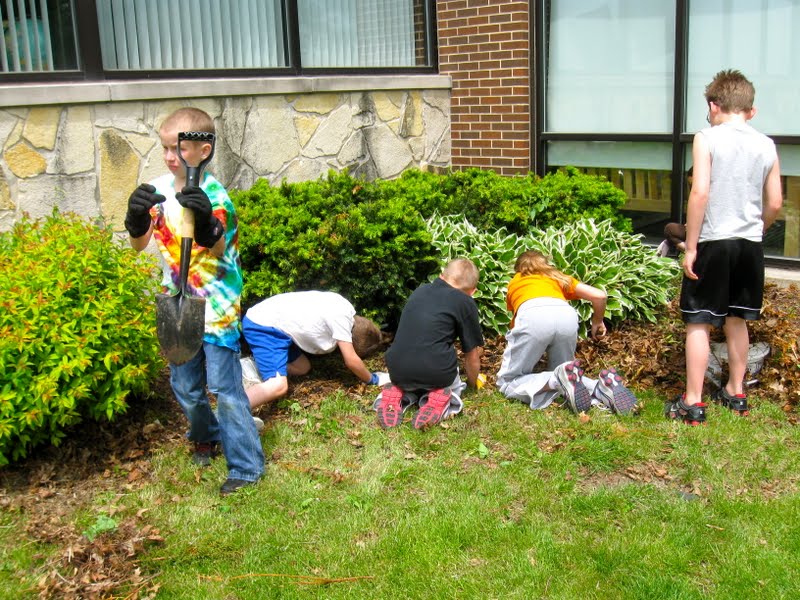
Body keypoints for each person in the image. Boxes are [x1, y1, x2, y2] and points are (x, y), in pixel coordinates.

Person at [124, 107, 265, 496]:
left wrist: (205, 223)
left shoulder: (217, 197)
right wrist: (137, 221)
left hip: (217, 305)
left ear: (203, 150)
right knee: (185, 387)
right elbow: (139, 245)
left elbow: (219, 246)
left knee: (224, 389)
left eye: (178, 148)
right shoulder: (158, 191)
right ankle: (206, 435)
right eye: (165, 148)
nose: (170, 157)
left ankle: (247, 466)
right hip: (179, 304)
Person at [667, 69, 782, 425]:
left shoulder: (708, 137)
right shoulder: (766, 144)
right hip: (750, 244)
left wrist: (691, 246)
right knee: (737, 319)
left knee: (699, 321)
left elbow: (700, 192)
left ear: (713, 106)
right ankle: (736, 391)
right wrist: (756, 230)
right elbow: (775, 202)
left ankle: (693, 401)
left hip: (715, 240)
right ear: (751, 110)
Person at [495, 250, 637, 415]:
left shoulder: (516, 281)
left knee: (507, 382)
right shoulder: (556, 277)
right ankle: (600, 387)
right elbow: (599, 296)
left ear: (518, 268)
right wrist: (597, 322)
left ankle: (556, 380)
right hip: (566, 315)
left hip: (532, 314)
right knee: (566, 372)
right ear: (546, 264)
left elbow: (521, 327)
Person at [374, 258, 484, 429]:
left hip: (397, 369)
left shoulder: (420, 290)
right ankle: (439, 400)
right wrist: (471, 385)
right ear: (472, 291)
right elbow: (472, 356)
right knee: (453, 386)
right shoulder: (465, 302)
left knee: (412, 383)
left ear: (441, 276)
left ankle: (398, 394)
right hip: (436, 373)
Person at [242, 291, 386, 411]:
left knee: (302, 368)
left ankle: (254, 365)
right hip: (264, 326)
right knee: (278, 386)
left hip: (278, 327)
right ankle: (233, 412)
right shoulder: (340, 321)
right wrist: (373, 379)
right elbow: (351, 360)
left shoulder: (345, 308)